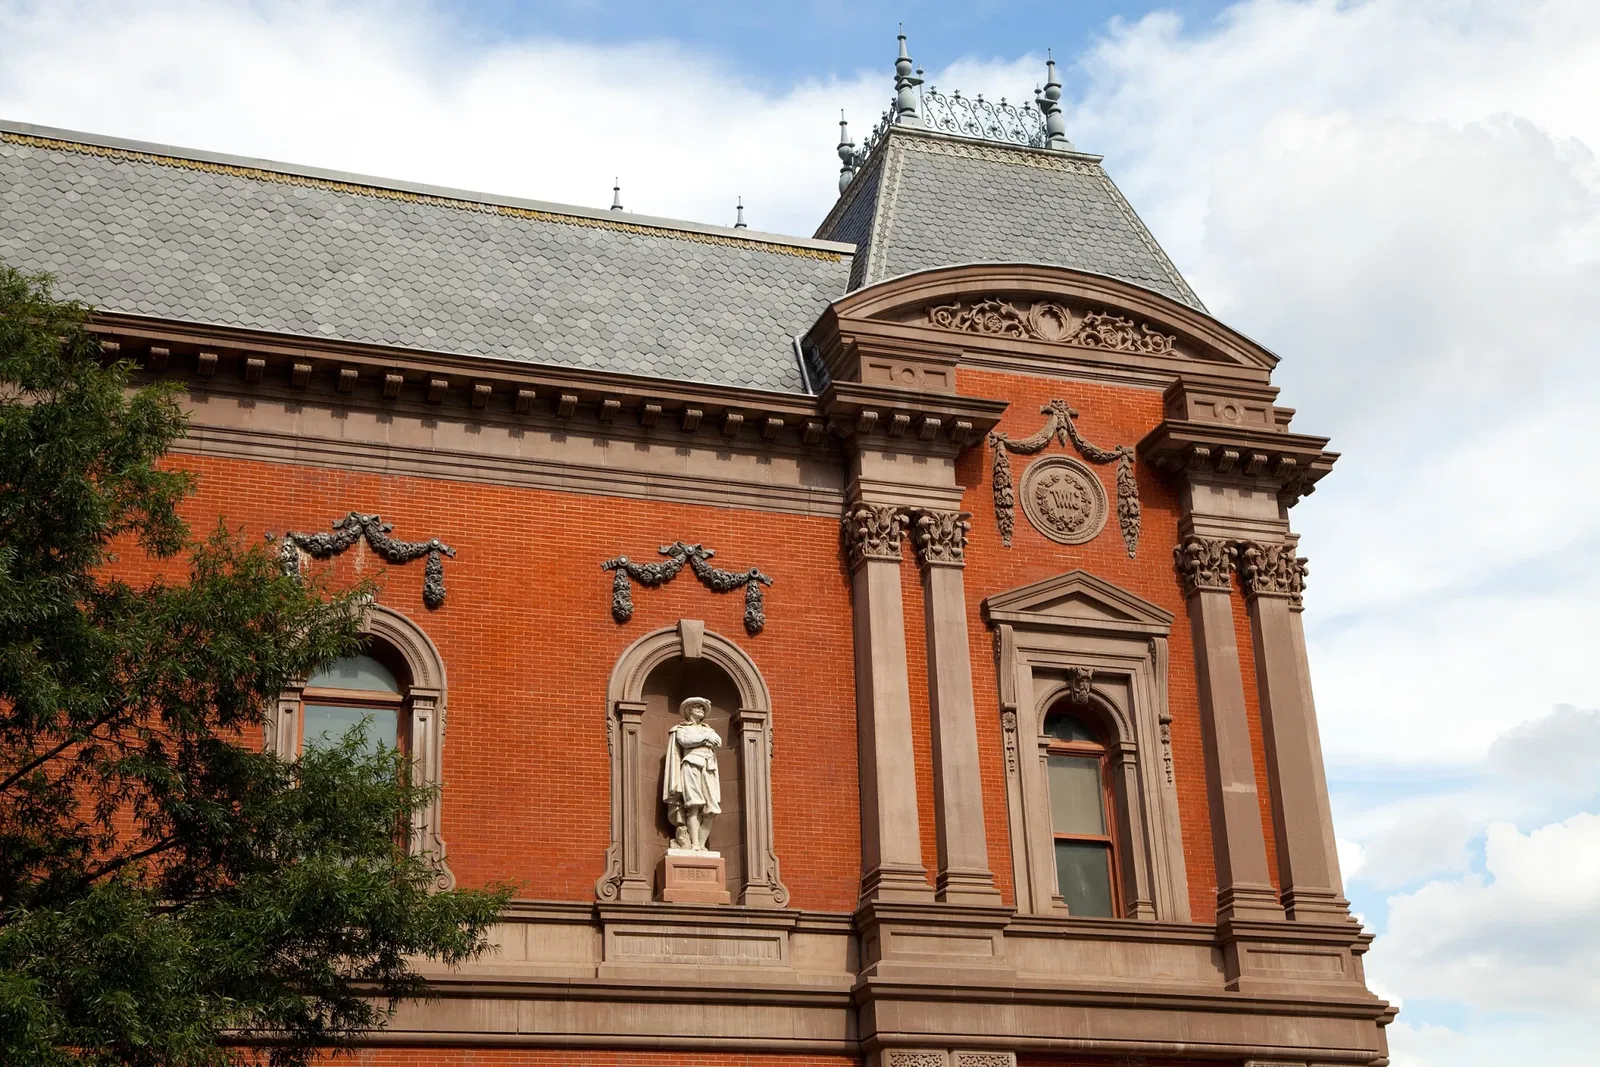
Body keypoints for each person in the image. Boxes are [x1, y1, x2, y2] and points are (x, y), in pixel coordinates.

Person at [663, 697, 722, 851]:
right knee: (694, 805)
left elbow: (718, 741)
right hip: (691, 765)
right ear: (689, 711)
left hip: (709, 767)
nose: (701, 710)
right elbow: (685, 741)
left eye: (702, 708)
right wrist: (705, 739)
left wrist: (704, 738)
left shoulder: (709, 730)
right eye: (697, 707)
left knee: (712, 809)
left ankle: (702, 844)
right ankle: (695, 844)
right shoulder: (681, 729)